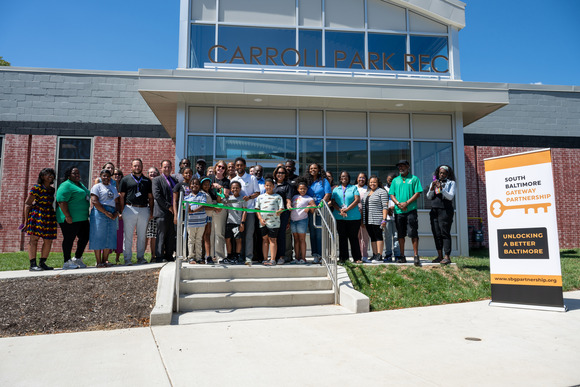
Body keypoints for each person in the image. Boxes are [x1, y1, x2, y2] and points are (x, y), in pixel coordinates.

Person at [118, 158, 154, 266]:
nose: (137, 168)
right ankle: (127, 259)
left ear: (142, 167)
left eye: (138, 166)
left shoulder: (147, 181)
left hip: (144, 209)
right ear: (131, 167)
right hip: (129, 209)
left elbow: (151, 198)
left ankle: (140, 258)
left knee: (142, 235)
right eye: (135, 166)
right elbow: (121, 197)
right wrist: (121, 210)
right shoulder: (125, 179)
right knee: (128, 235)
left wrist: (151, 212)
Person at [389, 160, 423, 267]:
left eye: (403, 166)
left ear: (408, 167)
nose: (401, 168)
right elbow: (391, 195)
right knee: (400, 234)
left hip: (411, 210)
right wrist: (398, 204)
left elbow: (417, 193)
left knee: (413, 233)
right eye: (399, 167)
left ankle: (416, 256)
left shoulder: (414, 179)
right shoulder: (395, 180)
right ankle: (402, 256)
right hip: (399, 211)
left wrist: (406, 203)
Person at [23, 168, 57, 271]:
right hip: (37, 214)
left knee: (48, 240)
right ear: (42, 176)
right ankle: (33, 264)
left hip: (49, 215)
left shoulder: (52, 190)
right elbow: (28, 204)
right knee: (34, 239)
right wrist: (26, 221)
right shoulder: (36, 188)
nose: (50, 176)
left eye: (52, 174)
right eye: (47, 174)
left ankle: (42, 263)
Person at [56, 166, 91, 269]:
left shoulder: (80, 185)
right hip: (69, 218)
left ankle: (77, 258)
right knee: (69, 239)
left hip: (82, 218)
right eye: (74, 173)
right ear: (68, 175)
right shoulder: (65, 185)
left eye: (78, 173)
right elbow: (61, 201)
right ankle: (67, 261)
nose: (77, 175)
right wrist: (68, 216)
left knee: (85, 237)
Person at [231, 157, 260, 265]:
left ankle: (248, 257)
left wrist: (249, 197)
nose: (239, 167)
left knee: (249, 235)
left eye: (241, 165)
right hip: (237, 213)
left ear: (245, 166)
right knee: (238, 236)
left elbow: (257, 192)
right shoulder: (233, 180)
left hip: (250, 211)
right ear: (235, 167)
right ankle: (240, 256)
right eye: (237, 165)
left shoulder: (251, 178)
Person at [89, 169, 120, 267]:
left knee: (110, 236)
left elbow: (117, 201)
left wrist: (116, 212)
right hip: (100, 212)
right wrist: (105, 212)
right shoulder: (97, 187)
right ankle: (98, 262)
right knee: (98, 236)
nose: (106, 178)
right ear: (100, 177)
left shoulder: (113, 188)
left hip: (111, 213)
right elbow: (94, 201)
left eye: (108, 176)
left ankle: (104, 260)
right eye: (104, 176)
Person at [426, 165, 456, 265]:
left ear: (447, 174)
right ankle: (439, 256)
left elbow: (450, 196)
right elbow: (429, 197)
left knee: (445, 233)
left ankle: (447, 256)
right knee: (436, 233)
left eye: (444, 173)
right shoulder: (434, 183)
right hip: (434, 211)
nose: (442, 175)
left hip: (445, 211)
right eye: (440, 173)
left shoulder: (451, 183)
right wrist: (431, 188)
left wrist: (441, 189)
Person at [331, 171, 361, 264]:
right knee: (342, 238)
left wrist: (346, 209)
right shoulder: (336, 189)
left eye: (346, 176)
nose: (344, 178)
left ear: (349, 178)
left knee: (353, 238)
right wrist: (340, 210)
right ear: (340, 178)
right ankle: (343, 258)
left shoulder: (353, 187)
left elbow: (357, 200)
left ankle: (357, 258)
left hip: (353, 217)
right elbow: (333, 202)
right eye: (342, 176)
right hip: (340, 217)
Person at [305, 163, 331, 264]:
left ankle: (321, 255)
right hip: (311, 210)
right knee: (312, 234)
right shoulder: (307, 181)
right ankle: (315, 255)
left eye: (315, 168)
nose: (313, 170)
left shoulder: (324, 181)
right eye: (311, 168)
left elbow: (327, 194)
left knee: (320, 234)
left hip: (320, 211)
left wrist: (320, 204)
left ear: (319, 170)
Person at [152, 160, 178, 263]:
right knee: (161, 235)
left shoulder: (174, 180)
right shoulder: (157, 180)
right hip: (162, 212)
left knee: (171, 235)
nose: (167, 169)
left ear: (171, 168)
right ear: (161, 168)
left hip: (173, 213)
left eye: (168, 167)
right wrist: (168, 206)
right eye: (165, 167)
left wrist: (174, 208)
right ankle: (159, 256)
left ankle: (169, 255)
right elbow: (157, 195)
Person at [255, 177, 284, 266]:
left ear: (273, 186)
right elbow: (257, 209)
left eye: (270, 186)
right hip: (263, 222)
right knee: (264, 240)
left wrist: (279, 211)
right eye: (267, 185)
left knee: (273, 240)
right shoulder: (260, 197)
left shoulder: (278, 197)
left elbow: (282, 208)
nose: (268, 187)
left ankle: (272, 259)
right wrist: (260, 219)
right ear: (264, 186)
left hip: (274, 223)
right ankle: (265, 259)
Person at [360, 175, 389, 263]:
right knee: (372, 237)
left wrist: (384, 219)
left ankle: (379, 256)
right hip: (368, 219)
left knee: (378, 236)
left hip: (377, 219)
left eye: (374, 182)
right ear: (369, 183)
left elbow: (385, 206)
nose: (372, 184)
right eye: (371, 182)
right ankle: (375, 255)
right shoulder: (366, 193)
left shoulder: (382, 192)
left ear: (378, 183)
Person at [185, 178, 210, 264]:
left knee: (199, 239)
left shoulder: (202, 196)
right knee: (191, 239)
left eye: (196, 184)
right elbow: (186, 208)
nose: (194, 185)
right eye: (192, 184)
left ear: (199, 186)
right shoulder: (187, 197)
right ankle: (191, 257)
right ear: (189, 186)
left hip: (201, 222)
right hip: (191, 222)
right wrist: (189, 209)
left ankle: (199, 257)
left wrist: (193, 211)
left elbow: (202, 205)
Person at [291, 179, 316, 264]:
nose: (302, 190)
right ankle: (297, 258)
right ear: (298, 189)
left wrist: (309, 206)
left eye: (304, 189)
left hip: (302, 221)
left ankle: (303, 258)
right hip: (293, 220)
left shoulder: (309, 198)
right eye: (301, 189)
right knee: (296, 239)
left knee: (302, 239)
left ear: (307, 189)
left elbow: (314, 208)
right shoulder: (294, 197)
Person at [273, 165, 294, 264]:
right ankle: (273, 257)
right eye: (278, 173)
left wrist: (289, 206)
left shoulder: (287, 186)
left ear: (285, 175)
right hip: (272, 214)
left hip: (283, 213)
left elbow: (288, 200)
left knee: (281, 235)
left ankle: (281, 256)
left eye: (282, 173)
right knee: (273, 235)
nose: (280, 174)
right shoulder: (272, 185)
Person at [222, 181, 247, 265]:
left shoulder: (243, 198)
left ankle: (237, 256)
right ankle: (229, 256)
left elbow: (244, 211)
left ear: (240, 189)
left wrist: (242, 223)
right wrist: (222, 193)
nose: (235, 189)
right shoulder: (228, 198)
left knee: (238, 239)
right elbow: (221, 201)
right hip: (229, 222)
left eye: (237, 187)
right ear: (230, 189)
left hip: (238, 222)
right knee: (228, 239)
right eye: (233, 188)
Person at [211, 160, 230, 263]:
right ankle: (209, 256)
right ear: (216, 167)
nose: (220, 169)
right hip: (209, 206)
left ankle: (220, 257)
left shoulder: (226, 181)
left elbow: (225, 195)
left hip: (221, 207)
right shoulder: (210, 178)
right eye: (219, 166)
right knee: (209, 233)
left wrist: (219, 187)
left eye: (223, 167)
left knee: (219, 233)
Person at [200, 176, 220, 264]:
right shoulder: (201, 193)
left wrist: (219, 192)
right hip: (202, 217)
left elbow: (217, 201)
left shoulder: (210, 193)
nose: (206, 186)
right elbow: (202, 206)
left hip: (209, 216)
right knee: (203, 237)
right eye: (204, 184)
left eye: (208, 184)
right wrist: (214, 208)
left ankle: (208, 256)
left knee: (207, 236)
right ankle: (202, 256)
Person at [383, 172, 401, 262]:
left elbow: (401, 199)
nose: (389, 181)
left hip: (397, 214)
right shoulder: (384, 189)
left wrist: (395, 207)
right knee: (387, 236)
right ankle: (388, 254)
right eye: (388, 179)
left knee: (396, 236)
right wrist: (387, 209)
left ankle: (397, 254)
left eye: (391, 179)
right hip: (387, 216)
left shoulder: (398, 188)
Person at [356, 172, 369, 263]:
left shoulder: (368, 189)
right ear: (357, 179)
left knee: (365, 237)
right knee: (356, 236)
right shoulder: (353, 188)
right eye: (360, 177)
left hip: (366, 214)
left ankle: (364, 255)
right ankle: (357, 256)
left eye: (363, 178)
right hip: (355, 214)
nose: (361, 179)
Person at [146, 167, 160, 257]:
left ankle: (153, 256)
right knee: (144, 235)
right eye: (150, 172)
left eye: (154, 173)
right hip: (145, 211)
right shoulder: (145, 184)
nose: (152, 174)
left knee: (154, 236)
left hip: (156, 212)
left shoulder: (158, 184)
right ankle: (141, 257)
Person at [112, 168, 124, 264]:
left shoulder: (123, 187)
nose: (117, 176)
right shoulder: (109, 186)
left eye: (119, 174)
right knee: (109, 235)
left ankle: (117, 257)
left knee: (119, 236)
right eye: (115, 174)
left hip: (120, 214)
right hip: (110, 213)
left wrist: (121, 213)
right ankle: (106, 257)